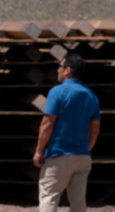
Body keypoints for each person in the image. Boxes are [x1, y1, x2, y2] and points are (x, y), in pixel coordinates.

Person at [33, 52, 101, 212]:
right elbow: (95, 130)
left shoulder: (57, 92)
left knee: (49, 198)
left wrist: (39, 151)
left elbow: (47, 123)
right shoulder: (91, 96)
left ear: (67, 70)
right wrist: (86, 149)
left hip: (59, 155)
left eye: (60, 66)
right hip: (82, 157)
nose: (58, 70)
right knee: (78, 203)